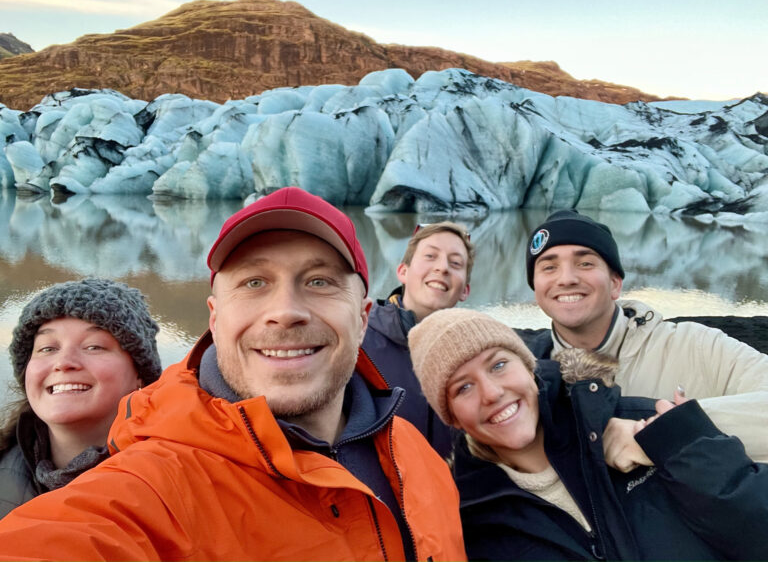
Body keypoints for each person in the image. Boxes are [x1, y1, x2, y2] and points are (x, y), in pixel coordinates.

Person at [0, 187, 466, 561]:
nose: (285, 312)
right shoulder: (153, 487)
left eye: (320, 281)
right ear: (214, 318)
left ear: (363, 316)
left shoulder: (416, 457)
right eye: (254, 282)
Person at [409, 308, 768, 561]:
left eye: (499, 364)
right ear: (451, 416)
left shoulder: (643, 426)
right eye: (463, 388)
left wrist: (683, 447)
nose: (491, 393)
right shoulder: (468, 518)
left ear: (529, 367)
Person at [521, 209, 768, 462]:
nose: (567, 279)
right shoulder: (523, 375)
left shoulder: (695, 346)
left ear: (615, 283)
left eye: (585, 263)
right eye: (549, 267)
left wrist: (666, 432)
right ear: (535, 289)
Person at [0, 278, 162, 519]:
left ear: (140, 375)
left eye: (94, 346)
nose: (64, 363)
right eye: (47, 348)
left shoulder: (177, 483)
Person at [362, 221, 474, 456]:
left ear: (465, 290)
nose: (442, 268)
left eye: (455, 263)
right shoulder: (359, 339)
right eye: (430, 256)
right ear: (403, 271)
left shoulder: (476, 353)